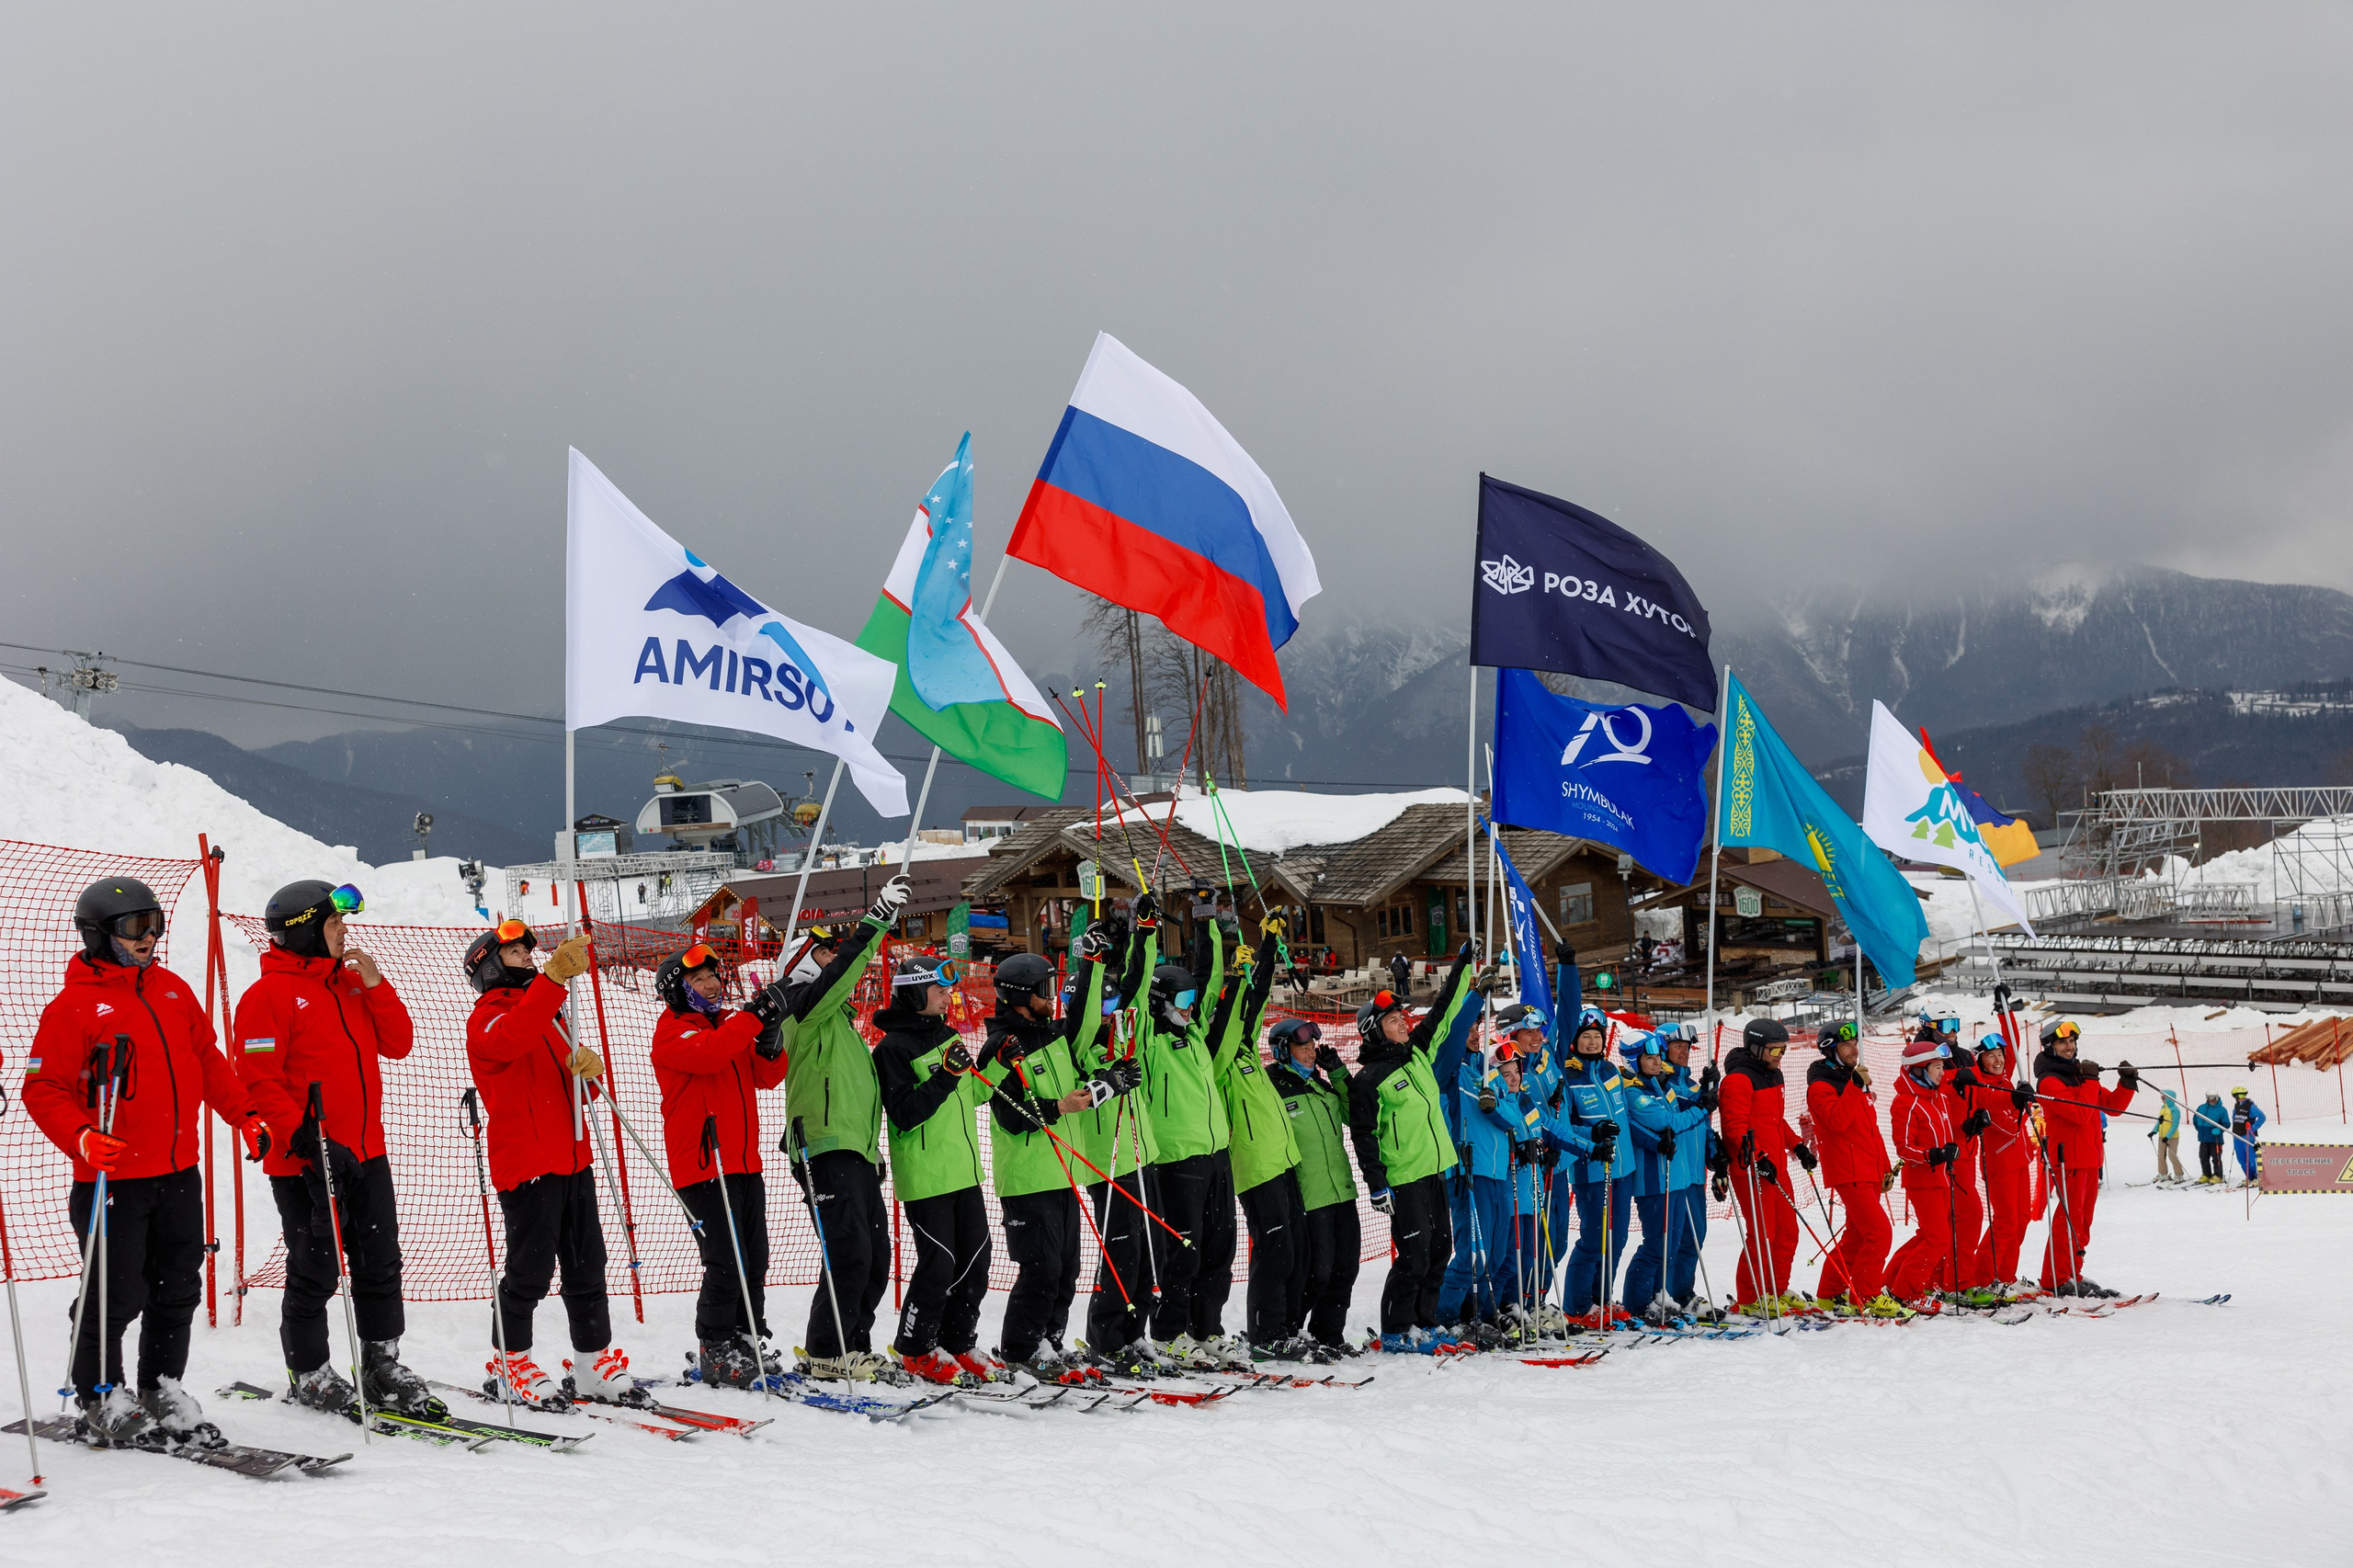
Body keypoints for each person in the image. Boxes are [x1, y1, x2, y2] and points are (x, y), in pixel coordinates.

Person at [26, 876, 264, 1448]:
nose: (149, 937)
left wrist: (245, 1115)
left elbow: (208, 1061)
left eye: (155, 925)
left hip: (178, 1170)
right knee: (116, 1293)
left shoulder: (173, 991)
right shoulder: (75, 1007)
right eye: (136, 927)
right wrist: (81, 1137)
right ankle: (100, 1393)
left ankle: (161, 1384)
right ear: (100, 934)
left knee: (178, 1285)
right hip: (113, 1177)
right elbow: (43, 1087)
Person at [232, 880, 439, 1416]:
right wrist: (301, 1135)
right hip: (305, 1159)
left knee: (378, 1261)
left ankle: (381, 1363)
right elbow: (257, 1079)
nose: (345, 931)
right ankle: (309, 1372)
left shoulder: (348, 985)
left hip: (366, 1152)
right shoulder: (267, 998)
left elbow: (399, 1043)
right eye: (333, 924)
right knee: (315, 1266)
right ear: (303, 933)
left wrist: (375, 984)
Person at [460, 920, 631, 1409]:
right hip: (528, 1162)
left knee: (586, 1265)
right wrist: (551, 984)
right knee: (529, 1270)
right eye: (515, 954)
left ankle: (592, 1360)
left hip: (572, 1157)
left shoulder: (553, 1018)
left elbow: (577, 1093)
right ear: (490, 967)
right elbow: (510, 1040)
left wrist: (592, 1074)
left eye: (528, 953)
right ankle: (510, 1359)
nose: (529, 960)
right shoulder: (488, 1018)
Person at [779, 876, 910, 1379]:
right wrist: (875, 920)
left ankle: (851, 1342)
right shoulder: (805, 1011)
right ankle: (827, 1349)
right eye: (822, 959)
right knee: (849, 1248)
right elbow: (847, 969)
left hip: (856, 1151)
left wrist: (873, 1153)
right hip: (822, 1148)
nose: (834, 965)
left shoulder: (840, 1024)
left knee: (876, 1252)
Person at [982, 937, 1130, 1381]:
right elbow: (1009, 1115)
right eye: (1044, 989)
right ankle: (1020, 1349)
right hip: (1027, 1178)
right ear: (1021, 995)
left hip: (1064, 1174)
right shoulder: (1002, 1045)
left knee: (1067, 1270)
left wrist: (1093, 962)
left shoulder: (1053, 1036)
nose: (1052, 997)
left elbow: (1084, 1012)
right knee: (1041, 1269)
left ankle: (1049, 1340)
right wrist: (1059, 1108)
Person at [650, 941, 790, 1385]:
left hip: (744, 1164)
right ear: (678, 989)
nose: (711, 985)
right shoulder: (674, 1032)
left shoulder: (728, 1027)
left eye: (713, 976)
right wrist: (753, 1018)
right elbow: (710, 1054)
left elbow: (766, 1078)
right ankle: (715, 1344)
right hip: (704, 1168)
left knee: (755, 1259)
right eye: (698, 979)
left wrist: (769, 1044)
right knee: (726, 1260)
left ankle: (747, 1335)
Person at [873, 954, 998, 1386]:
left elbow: (974, 1093)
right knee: (939, 1265)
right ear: (914, 993)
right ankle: (915, 1349)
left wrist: (997, 1062)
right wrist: (944, 1076)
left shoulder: (947, 1035)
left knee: (976, 1261)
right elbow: (905, 1113)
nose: (948, 999)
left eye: (948, 991)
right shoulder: (892, 1048)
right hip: (927, 1175)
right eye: (940, 991)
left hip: (964, 1169)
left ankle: (958, 1341)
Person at [1347, 942, 1477, 1353]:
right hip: (1402, 1179)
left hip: (1435, 1169)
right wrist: (1377, 1184)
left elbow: (1441, 1012)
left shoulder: (1417, 1052)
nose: (1403, 1023)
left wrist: (1461, 966)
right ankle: (1397, 1329)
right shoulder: (1368, 1079)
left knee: (1440, 1251)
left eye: (1402, 1017)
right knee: (1414, 1256)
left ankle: (1425, 1322)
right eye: (1393, 1019)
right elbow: (1363, 1137)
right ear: (1373, 1028)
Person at [1132, 905, 1241, 1371]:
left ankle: (1206, 1327)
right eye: (1182, 999)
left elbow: (1211, 977)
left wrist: (1208, 925)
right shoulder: (1147, 1039)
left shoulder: (1193, 1033)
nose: (1191, 1006)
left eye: (1192, 999)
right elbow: (1135, 989)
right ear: (1160, 1002)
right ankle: (1171, 1330)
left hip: (1216, 1154)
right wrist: (1146, 934)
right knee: (1184, 1253)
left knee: (1220, 1250)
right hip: (1176, 1160)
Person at [1211, 918, 1318, 1358]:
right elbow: (1235, 1007)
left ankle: (1287, 1327)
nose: (1243, 1024)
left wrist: (1270, 945)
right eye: (1235, 1021)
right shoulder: (1217, 1059)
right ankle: (1265, 1334)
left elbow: (1253, 1003)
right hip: (1255, 1169)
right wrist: (1235, 977)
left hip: (1284, 1161)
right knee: (1274, 1253)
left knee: (1297, 1252)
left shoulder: (1246, 1053)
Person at [1267, 1018, 1360, 1355]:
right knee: (1315, 1272)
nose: (1310, 1053)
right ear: (1282, 1052)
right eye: (1301, 1047)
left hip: (1341, 1189)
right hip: (1307, 1193)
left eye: (1311, 1047)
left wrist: (1338, 1074)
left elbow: (1356, 1113)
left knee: (1345, 1268)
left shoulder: (1323, 1087)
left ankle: (1328, 1334)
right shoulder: (1273, 1087)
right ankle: (1290, 1330)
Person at [1444, 1015, 1539, 1335]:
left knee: (1496, 1255)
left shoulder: (1490, 1082)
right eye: (1468, 1029)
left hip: (1499, 1174)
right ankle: (1446, 1316)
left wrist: (1495, 1099)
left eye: (1476, 1028)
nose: (1474, 1033)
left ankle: (1478, 1313)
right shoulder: (1455, 1073)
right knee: (1473, 1253)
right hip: (1471, 1171)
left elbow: (1511, 1116)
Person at [1550, 1007, 1642, 1327]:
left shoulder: (1610, 1070)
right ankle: (1578, 1305)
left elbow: (1626, 1117)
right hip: (1592, 1168)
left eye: (1597, 1037)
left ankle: (1602, 1299)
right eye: (1585, 1037)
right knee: (1593, 1238)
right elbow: (1564, 1126)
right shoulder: (1567, 1075)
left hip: (1622, 1166)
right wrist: (1593, 1134)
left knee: (1616, 1238)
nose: (1591, 1042)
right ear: (1575, 1040)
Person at [2034, 1019, 2138, 1297]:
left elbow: (2112, 1107)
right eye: (2062, 1042)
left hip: (2089, 1159)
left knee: (2082, 1223)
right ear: (2050, 1047)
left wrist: (2126, 1084)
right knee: (2069, 1221)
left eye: (2072, 1042)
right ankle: (2055, 1278)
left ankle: (2071, 1274)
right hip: (2069, 1160)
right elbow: (2079, 1112)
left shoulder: (2078, 1076)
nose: (2069, 1047)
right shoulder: (2049, 1081)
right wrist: (2091, 1080)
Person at [1804, 1020, 1900, 1314]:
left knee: (1857, 1238)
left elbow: (1871, 1130)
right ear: (1830, 1050)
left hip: (1868, 1170)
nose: (1853, 1050)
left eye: (1855, 1044)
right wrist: (1854, 1086)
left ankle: (1830, 1292)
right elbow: (1836, 1122)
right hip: (1848, 1171)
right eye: (1846, 1045)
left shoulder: (1853, 1081)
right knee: (1879, 1233)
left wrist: (1885, 1168)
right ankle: (1866, 1295)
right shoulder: (1821, 1086)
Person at [1716, 1017, 1811, 1312]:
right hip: (1752, 1169)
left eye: (1783, 1050)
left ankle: (1775, 1289)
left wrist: (1796, 1144)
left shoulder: (1773, 1076)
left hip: (1776, 1167)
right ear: (1756, 1048)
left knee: (1788, 1232)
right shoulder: (1738, 1080)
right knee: (1763, 1235)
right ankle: (1750, 1297)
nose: (1779, 1057)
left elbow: (1775, 1120)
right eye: (1774, 1050)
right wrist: (1758, 1157)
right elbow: (1734, 1129)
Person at [1621, 1026, 1714, 1321]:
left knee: (1672, 1243)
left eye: (1658, 1056)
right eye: (1650, 1057)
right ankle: (1639, 1301)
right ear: (1635, 1061)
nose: (1657, 1061)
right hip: (1653, 1180)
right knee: (1656, 1245)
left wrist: (1707, 1092)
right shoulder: (1634, 1091)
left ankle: (1660, 1295)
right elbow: (1667, 1121)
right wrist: (1704, 1107)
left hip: (1675, 1177)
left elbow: (1684, 1105)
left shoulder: (1660, 1087)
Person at [1885, 1037, 1962, 1309]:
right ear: (1919, 1070)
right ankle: (1907, 1292)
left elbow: (1944, 1133)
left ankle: (1893, 1279)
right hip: (1922, 1181)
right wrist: (1932, 1155)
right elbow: (1904, 1148)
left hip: (1941, 1178)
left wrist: (1950, 1148)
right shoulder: (1906, 1103)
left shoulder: (1938, 1097)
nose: (1943, 1073)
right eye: (1937, 1068)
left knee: (1927, 1235)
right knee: (1937, 1237)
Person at [1961, 1029, 2037, 1288]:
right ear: (1979, 1060)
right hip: (1999, 1163)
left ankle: (2006, 1276)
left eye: (2000, 1054)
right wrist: (2017, 1097)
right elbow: (1994, 1099)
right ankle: (1983, 1278)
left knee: (2022, 1220)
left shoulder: (2005, 1079)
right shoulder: (1978, 1086)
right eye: (1990, 1056)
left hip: (2021, 1159)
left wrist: (2004, 1009)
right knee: (2005, 1222)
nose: (1998, 1060)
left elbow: (2013, 1041)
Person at [2229, 1087, 2267, 1186]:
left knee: (2250, 1157)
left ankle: (2257, 1176)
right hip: (2237, 1135)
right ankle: (2249, 1177)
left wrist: (2253, 1128)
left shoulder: (2251, 1106)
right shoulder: (2236, 1106)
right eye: (2240, 1096)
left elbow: (2262, 1117)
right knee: (2241, 1158)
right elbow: (2234, 1118)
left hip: (2247, 1136)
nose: (2242, 1098)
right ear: (2235, 1097)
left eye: (2244, 1095)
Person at [2149, 1086, 2187, 1183]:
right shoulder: (2163, 1108)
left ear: (2170, 1098)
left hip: (2172, 1137)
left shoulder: (2175, 1110)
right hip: (2162, 1136)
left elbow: (2175, 1125)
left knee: (2171, 1155)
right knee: (2161, 1155)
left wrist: (2168, 1136)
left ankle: (2179, 1174)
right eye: (2162, 1097)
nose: (2162, 1099)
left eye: (2164, 1097)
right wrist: (2154, 1131)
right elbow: (2159, 1122)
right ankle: (2163, 1173)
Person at [2192, 1092, 2230, 1183]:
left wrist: (2219, 1130)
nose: (2211, 1100)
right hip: (2204, 1138)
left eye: (2213, 1098)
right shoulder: (2201, 1108)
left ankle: (2218, 1175)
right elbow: (2195, 1119)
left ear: (2217, 1098)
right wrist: (2201, 1129)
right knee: (2203, 1157)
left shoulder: (2222, 1110)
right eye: (2209, 1097)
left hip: (2215, 1138)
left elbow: (2226, 1124)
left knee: (2216, 1157)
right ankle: (2206, 1175)